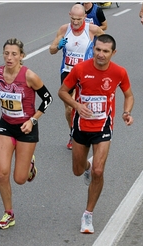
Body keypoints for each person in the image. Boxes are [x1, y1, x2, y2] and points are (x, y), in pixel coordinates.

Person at [58, 34, 134, 234]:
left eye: (105, 51)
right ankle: (87, 165)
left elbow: (128, 95)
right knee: (77, 170)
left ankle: (88, 214)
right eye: (98, 49)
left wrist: (127, 112)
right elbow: (62, 91)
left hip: (103, 128)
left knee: (98, 172)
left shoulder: (119, 72)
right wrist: (76, 105)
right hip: (80, 127)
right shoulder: (80, 69)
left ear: (113, 53)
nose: (100, 54)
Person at [0, 38, 53, 229]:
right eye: (6, 53)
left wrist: (33, 120)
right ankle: (9, 213)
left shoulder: (30, 76)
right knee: (1, 173)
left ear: (21, 56)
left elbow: (48, 99)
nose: (9, 57)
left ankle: (30, 164)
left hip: (27, 128)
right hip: (6, 125)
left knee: (20, 179)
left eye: (14, 54)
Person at [49, 3, 104, 150]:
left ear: (85, 17)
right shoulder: (64, 29)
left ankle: (87, 133)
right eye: (73, 19)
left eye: (79, 19)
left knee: (82, 105)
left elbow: (106, 46)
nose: (75, 22)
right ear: (69, 16)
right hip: (67, 71)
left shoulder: (92, 29)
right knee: (69, 108)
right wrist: (59, 45)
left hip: (86, 73)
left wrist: (98, 56)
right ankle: (73, 133)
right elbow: (51, 50)